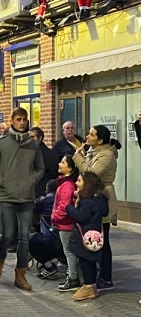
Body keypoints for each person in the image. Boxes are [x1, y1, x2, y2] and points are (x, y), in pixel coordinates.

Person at [0, 107, 44, 291]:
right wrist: (3, 182)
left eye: (24, 120)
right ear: (12, 120)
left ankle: (20, 275)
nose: (22, 122)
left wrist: (31, 181)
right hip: (7, 196)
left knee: (24, 237)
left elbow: (40, 168)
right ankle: (0, 258)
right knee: (9, 234)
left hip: (26, 197)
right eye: (18, 119)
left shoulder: (33, 145)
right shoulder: (0, 143)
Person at [72, 124, 121, 292]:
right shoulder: (95, 152)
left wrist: (77, 157)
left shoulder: (107, 155)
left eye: (92, 135)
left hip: (102, 199)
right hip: (92, 198)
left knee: (103, 240)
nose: (87, 136)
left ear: (100, 140)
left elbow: (91, 174)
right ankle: (96, 274)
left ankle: (106, 278)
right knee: (95, 237)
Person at [66, 171, 108, 301]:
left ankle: (88, 286)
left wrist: (69, 207)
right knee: (90, 261)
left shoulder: (87, 202)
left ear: (87, 184)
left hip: (84, 235)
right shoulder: (100, 198)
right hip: (94, 235)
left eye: (79, 181)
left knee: (85, 262)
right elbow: (105, 212)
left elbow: (81, 217)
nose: (76, 184)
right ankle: (92, 287)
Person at [51, 155, 80, 291]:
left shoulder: (67, 185)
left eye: (62, 162)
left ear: (70, 167)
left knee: (69, 252)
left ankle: (73, 278)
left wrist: (54, 217)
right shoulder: (64, 183)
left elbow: (64, 206)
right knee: (68, 251)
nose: (59, 164)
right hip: (64, 223)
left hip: (66, 223)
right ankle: (72, 275)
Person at [30, 179, 65, 279]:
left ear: (47, 190)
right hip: (68, 242)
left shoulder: (43, 201)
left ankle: (49, 266)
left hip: (51, 241)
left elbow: (33, 209)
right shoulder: (67, 200)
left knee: (30, 239)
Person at [29, 126, 59, 199]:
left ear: (40, 138)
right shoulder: (28, 152)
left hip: (40, 192)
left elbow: (54, 173)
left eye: (32, 137)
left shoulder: (48, 155)